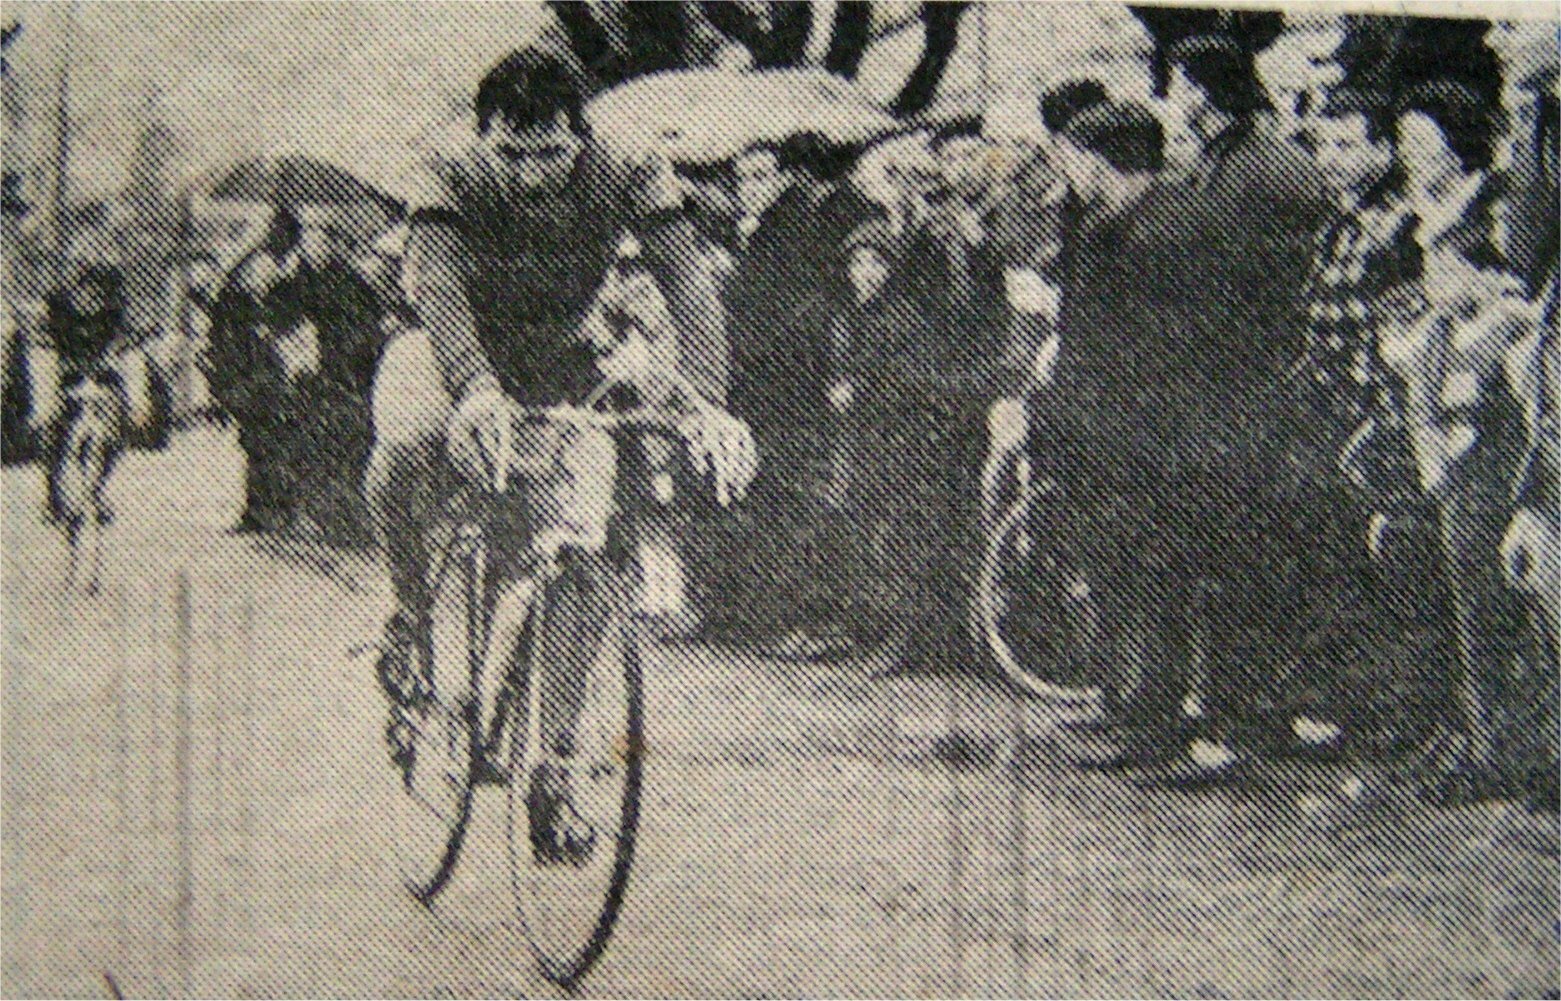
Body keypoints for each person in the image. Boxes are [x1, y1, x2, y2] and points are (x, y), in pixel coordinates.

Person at [367, 46, 750, 863]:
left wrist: (710, 399)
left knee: (579, 545)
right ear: (482, 140)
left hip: (554, 354)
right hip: (448, 348)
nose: (535, 172)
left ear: (581, 135)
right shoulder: (446, 169)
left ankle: (556, 766)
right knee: (403, 448)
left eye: (552, 153)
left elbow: (688, 279)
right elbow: (434, 280)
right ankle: (408, 618)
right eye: (512, 154)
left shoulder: (627, 164)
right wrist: (471, 385)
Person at [1079, 35, 1333, 781]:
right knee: (1201, 568)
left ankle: (1231, 728)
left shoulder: (1260, 175)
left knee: (1229, 571)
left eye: (1184, 85)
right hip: (1202, 409)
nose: (1177, 99)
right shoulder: (1211, 174)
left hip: (1226, 410)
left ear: (1211, 89)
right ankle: (1200, 719)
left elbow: (1264, 302)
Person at [267, 211, 386, 545]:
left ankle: (347, 521)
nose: (317, 245)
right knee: (318, 447)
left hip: (348, 380)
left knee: (344, 450)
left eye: (324, 238)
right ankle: (330, 518)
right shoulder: (305, 280)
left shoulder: (351, 283)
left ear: (337, 243)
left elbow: (366, 332)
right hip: (321, 380)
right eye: (312, 237)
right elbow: (280, 315)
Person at [205, 209, 305, 533]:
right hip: (258, 364)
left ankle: (282, 509)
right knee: (259, 438)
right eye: (272, 233)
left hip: (282, 360)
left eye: (279, 233)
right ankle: (260, 510)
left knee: (279, 437)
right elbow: (230, 310)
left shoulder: (293, 268)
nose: (273, 239)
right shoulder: (252, 267)